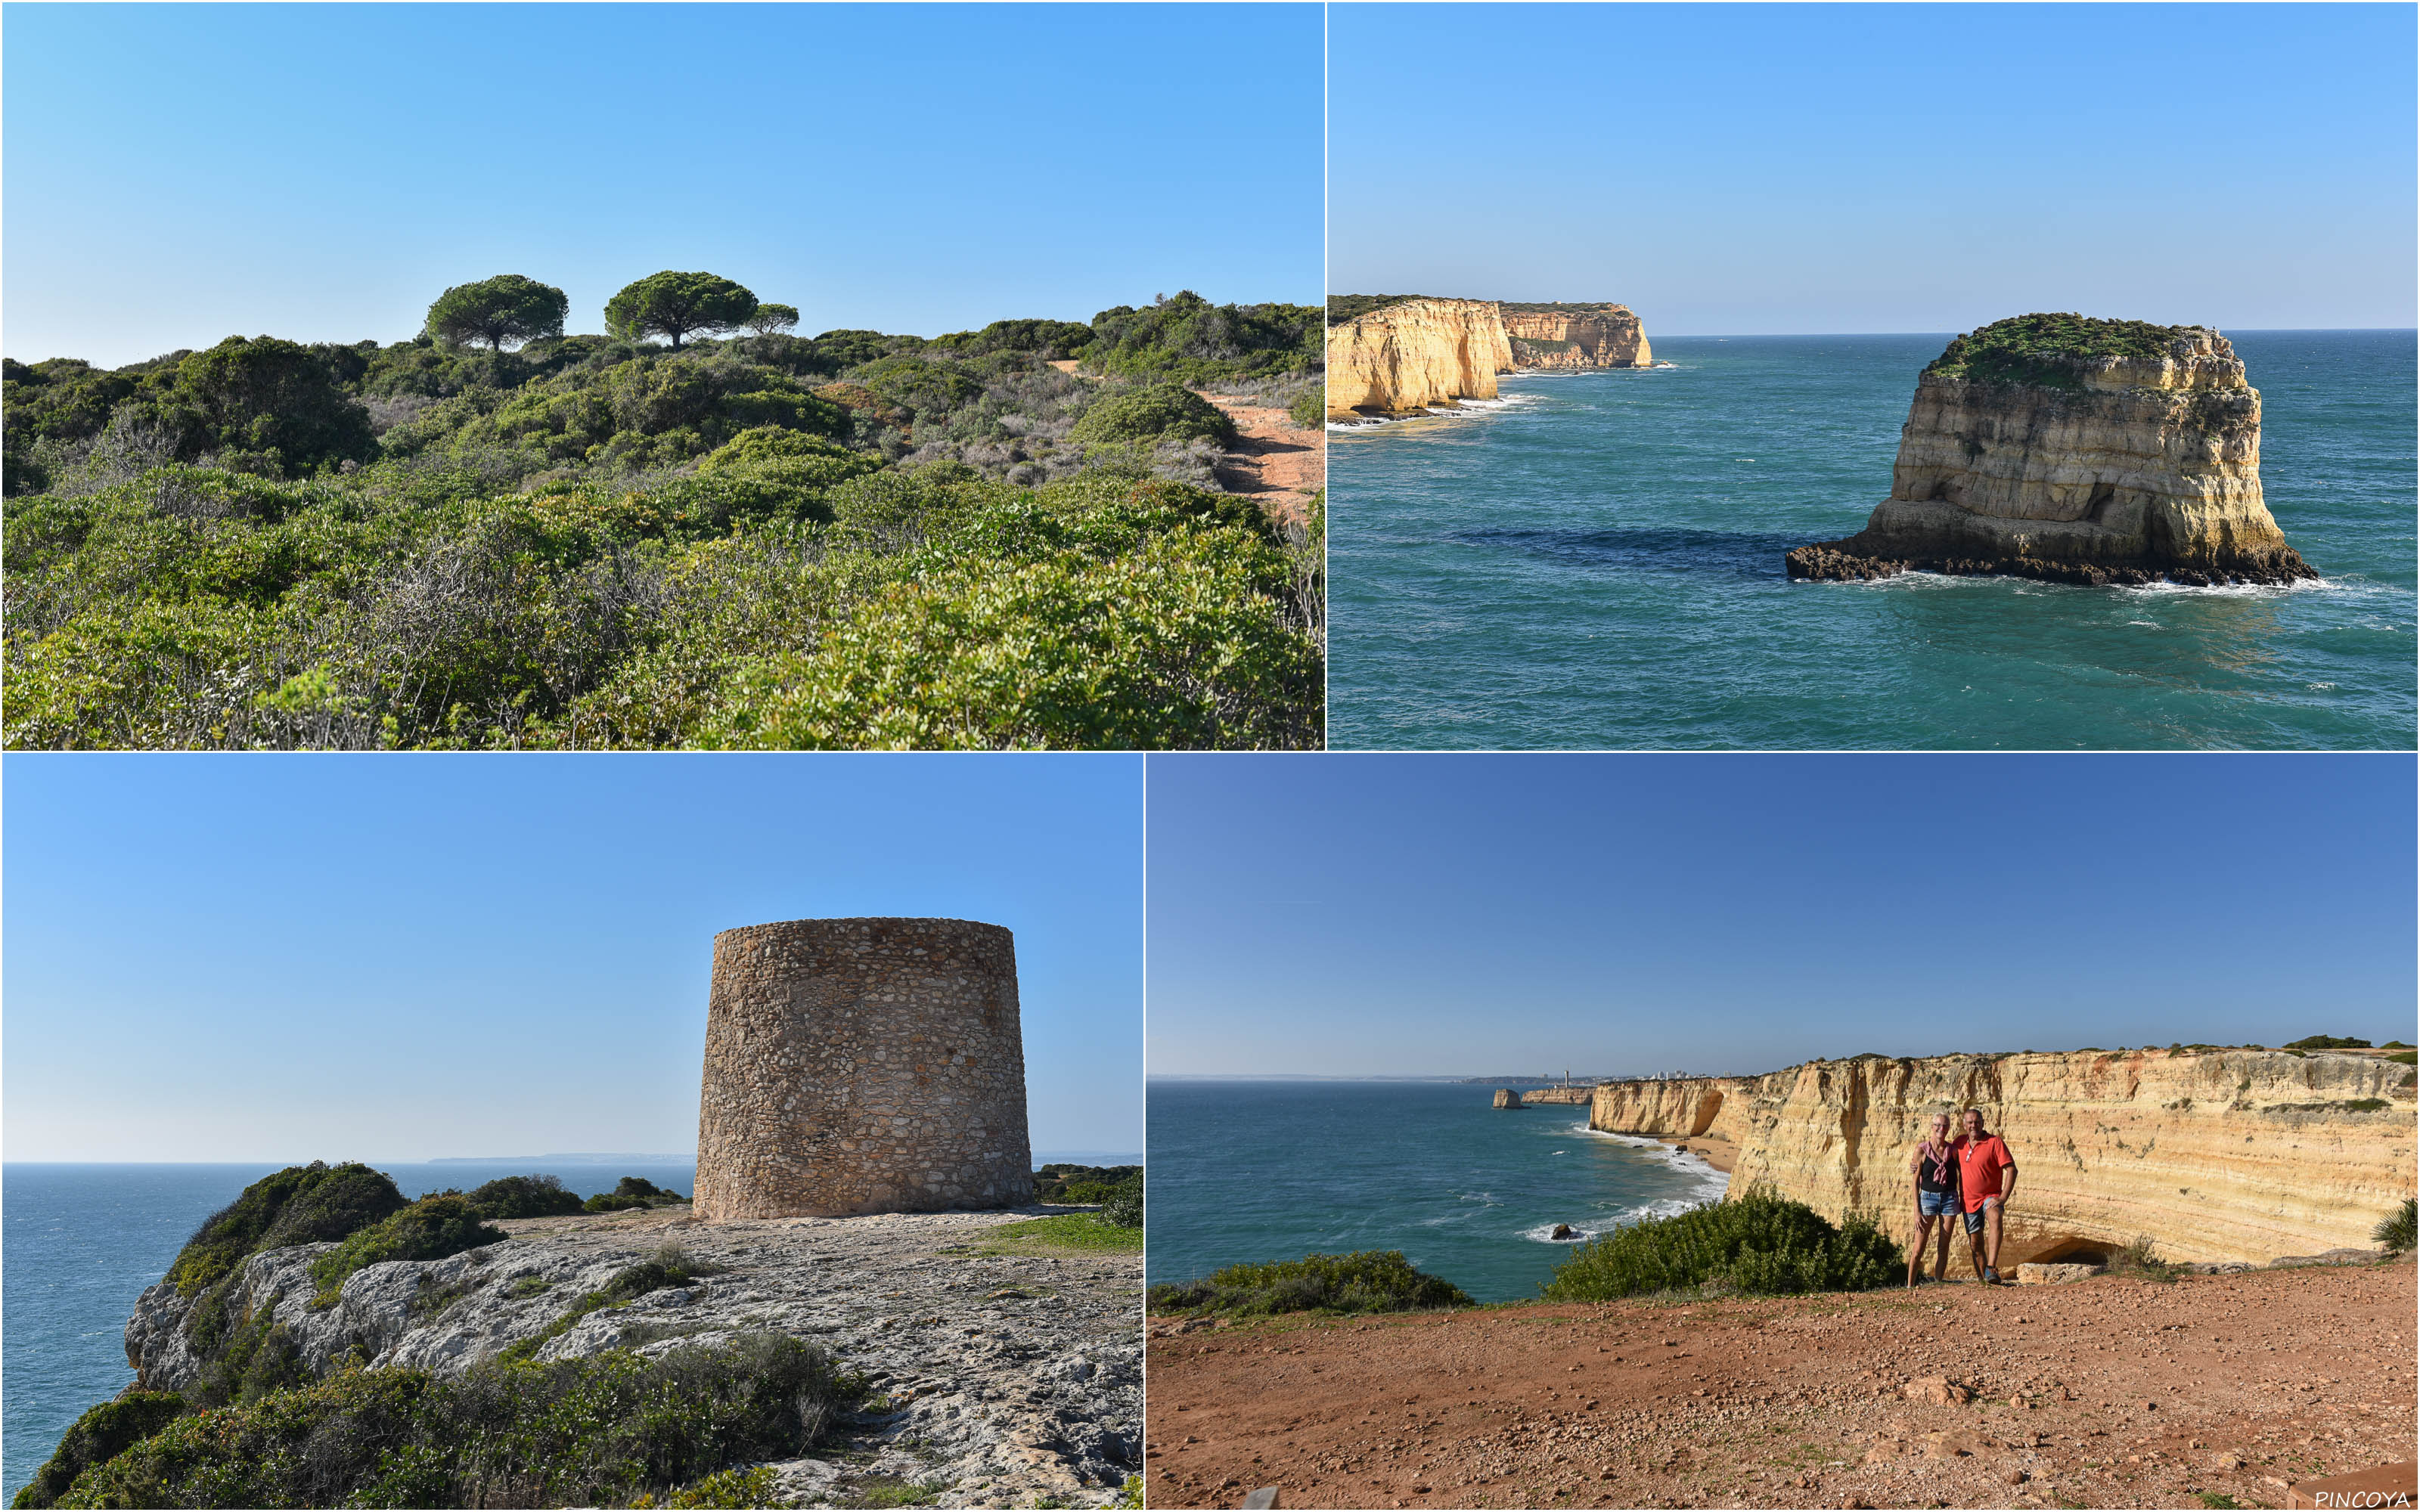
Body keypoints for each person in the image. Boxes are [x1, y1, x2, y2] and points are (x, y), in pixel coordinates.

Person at [1953, 1107, 2018, 1284]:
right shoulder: (1958, 1144)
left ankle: (1991, 1267)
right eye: (1970, 1122)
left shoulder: (1994, 1142)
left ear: (1983, 1123)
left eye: (1977, 1122)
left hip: (1990, 1196)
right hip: (1968, 1201)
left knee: (1995, 1215)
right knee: (1975, 1244)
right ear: (1964, 1125)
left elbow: (2011, 1170)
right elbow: (1942, 1158)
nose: (1974, 1125)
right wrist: (1917, 1164)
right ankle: (1985, 1280)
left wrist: (2003, 1198)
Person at [1906, 1111, 1960, 1287]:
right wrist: (1917, 1212)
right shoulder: (1921, 1150)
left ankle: (1937, 1285)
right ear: (1932, 1127)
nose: (1941, 1129)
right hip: (1927, 1199)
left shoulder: (1953, 1151)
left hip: (1949, 1199)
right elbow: (1915, 1183)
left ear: (1948, 1129)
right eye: (1937, 1125)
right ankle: (1909, 1287)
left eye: (1944, 1126)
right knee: (1918, 1248)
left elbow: (1963, 1173)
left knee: (1943, 1247)